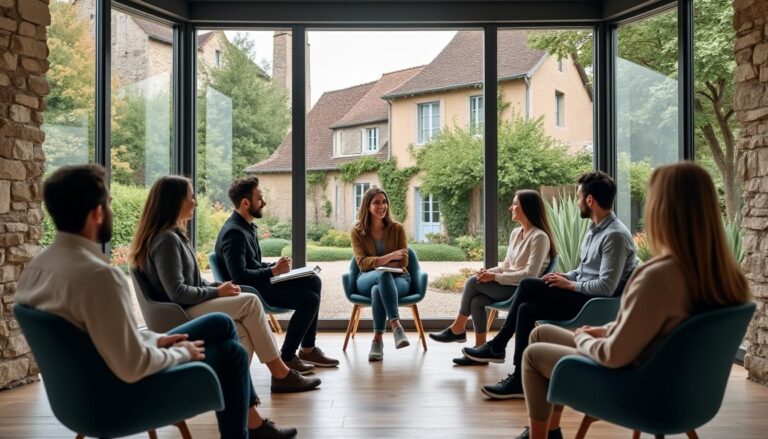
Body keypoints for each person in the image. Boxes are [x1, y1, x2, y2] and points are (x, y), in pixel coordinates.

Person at [17, 165, 297, 439]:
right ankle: (255, 423)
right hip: (115, 401)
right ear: (97, 213)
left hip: (75, 402)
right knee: (230, 354)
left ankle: (257, 424)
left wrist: (151, 340)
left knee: (222, 325)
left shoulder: (35, 270)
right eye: (110, 204)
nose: (112, 211)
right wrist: (182, 353)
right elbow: (132, 366)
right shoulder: (99, 277)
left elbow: (98, 342)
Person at [515, 162, 751, 439]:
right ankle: (551, 430)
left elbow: (614, 355)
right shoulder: (727, 276)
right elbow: (662, 330)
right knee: (540, 331)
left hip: (636, 387)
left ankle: (540, 436)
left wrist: (584, 339)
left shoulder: (659, 276)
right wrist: (604, 331)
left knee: (532, 356)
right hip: (682, 390)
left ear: (662, 210)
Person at [131, 175, 320, 394]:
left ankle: (235, 389)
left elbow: (193, 281)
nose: (196, 202)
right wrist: (216, 292)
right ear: (175, 202)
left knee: (241, 330)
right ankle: (280, 373)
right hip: (180, 312)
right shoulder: (166, 240)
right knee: (250, 302)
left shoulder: (174, 236)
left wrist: (217, 286)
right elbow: (177, 292)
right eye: (191, 197)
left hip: (187, 306)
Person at [462, 171, 637, 399]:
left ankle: (498, 345)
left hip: (592, 303)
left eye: (578, 197)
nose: (577, 202)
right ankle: (519, 379)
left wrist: (569, 285)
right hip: (580, 296)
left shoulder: (615, 236)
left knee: (526, 285)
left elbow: (606, 288)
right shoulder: (594, 230)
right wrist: (565, 276)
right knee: (526, 310)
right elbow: (583, 271)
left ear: (590, 200)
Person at [215, 177, 338, 373]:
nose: (263, 203)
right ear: (246, 202)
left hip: (260, 283)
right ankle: (288, 356)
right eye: (259, 198)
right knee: (309, 299)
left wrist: (274, 266)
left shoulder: (246, 227)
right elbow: (239, 277)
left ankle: (308, 348)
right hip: (252, 290)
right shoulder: (234, 233)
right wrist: (273, 271)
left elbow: (251, 264)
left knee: (313, 280)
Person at [429, 190, 556, 367]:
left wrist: (494, 277)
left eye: (514, 204)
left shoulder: (539, 237)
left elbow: (530, 276)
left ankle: (457, 328)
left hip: (521, 289)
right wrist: (487, 272)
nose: (510, 207)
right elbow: (506, 265)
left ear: (527, 208)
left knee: (472, 282)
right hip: (508, 283)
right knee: (477, 300)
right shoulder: (516, 233)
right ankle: (479, 352)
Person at [349, 187, 412, 361]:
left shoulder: (397, 228)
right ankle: (396, 325)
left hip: (399, 278)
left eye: (384, 202)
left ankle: (377, 340)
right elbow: (362, 263)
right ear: (367, 206)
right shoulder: (357, 232)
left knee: (379, 289)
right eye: (376, 202)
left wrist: (377, 261)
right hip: (365, 278)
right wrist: (390, 257)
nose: (381, 206)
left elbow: (404, 262)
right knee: (383, 275)